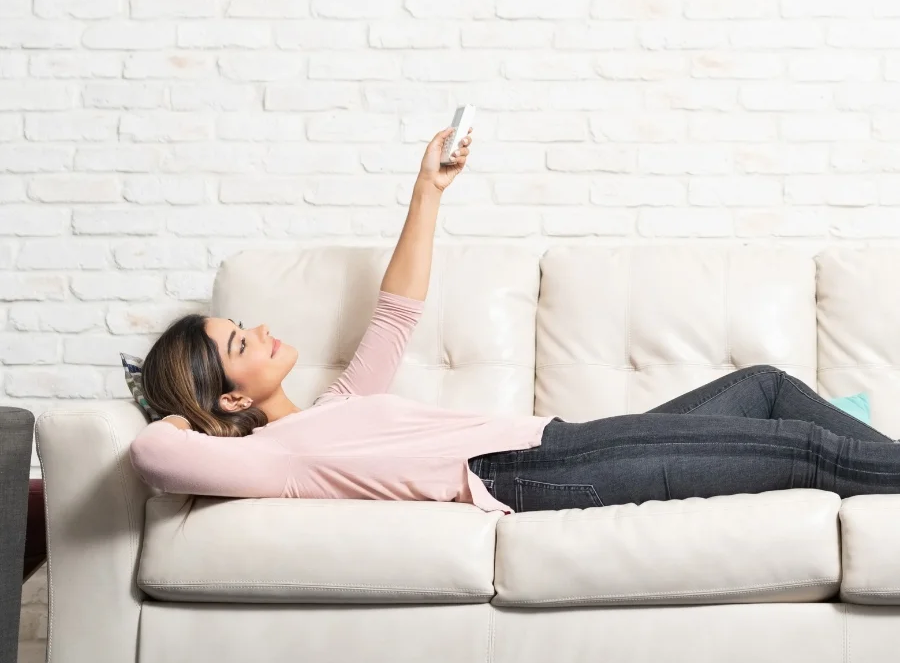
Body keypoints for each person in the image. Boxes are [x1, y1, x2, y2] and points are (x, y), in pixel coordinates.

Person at [131, 125, 900, 515]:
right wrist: (189, 416)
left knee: (765, 387)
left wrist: (427, 191)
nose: (260, 329)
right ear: (229, 398)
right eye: (239, 343)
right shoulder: (271, 459)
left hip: (549, 443)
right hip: (529, 473)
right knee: (800, 447)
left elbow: (397, 314)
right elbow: (152, 455)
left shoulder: (337, 410)